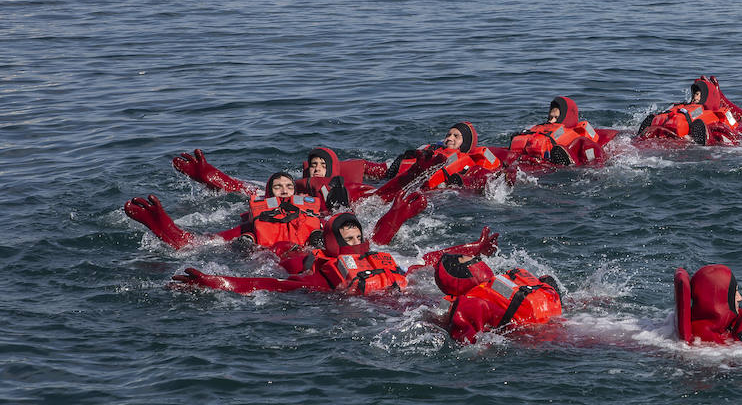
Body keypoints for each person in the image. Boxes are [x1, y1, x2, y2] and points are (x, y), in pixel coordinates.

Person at [173, 208, 499, 299]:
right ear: (330, 242)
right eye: (348, 238)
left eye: (359, 236)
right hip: (375, 315)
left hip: (406, 299)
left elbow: (426, 262)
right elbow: (272, 285)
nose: (356, 243)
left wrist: (472, 249)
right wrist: (218, 283)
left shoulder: (381, 256)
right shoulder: (321, 272)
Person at [123, 173, 418, 255]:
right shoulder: (253, 225)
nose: (284, 190)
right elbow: (191, 244)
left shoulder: (318, 219)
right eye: (277, 187)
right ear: (267, 194)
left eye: (289, 186)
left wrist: (397, 215)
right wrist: (159, 222)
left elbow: (365, 240)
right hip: (267, 260)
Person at [433, 248, 563, 343]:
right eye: (465, 260)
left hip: (541, 329)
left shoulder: (483, 293)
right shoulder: (468, 303)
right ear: (458, 276)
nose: (475, 259)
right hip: (543, 328)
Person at [172, 145, 384, 203]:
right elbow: (244, 190)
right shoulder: (290, 188)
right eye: (313, 164)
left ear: (333, 169)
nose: (317, 168)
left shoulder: (349, 191)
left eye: (322, 164)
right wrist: (210, 175)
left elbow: (387, 194)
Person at [373, 122, 508, 199]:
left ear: (466, 143)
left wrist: (461, 181)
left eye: (456, 136)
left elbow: (481, 179)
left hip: (440, 196)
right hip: (403, 185)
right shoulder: (431, 150)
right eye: (448, 135)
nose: (450, 138)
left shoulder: (471, 165)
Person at [637, 76, 742, 145]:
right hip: (672, 126)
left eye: (698, 94)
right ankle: (649, 125)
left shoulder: (717, 112)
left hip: (694, 126)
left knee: (701, 125)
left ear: (706, 96)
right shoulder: (685, 105)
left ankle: (701, 138)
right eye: (694, 94)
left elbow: (733, 127)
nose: (695, 97)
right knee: (659, 116)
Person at [506, 96, 613, 166]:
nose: (551, 121)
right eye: (550, 117)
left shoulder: (578, 135)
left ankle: (569, 160)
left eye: (556, 118)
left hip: (560, 159)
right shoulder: (540, 128)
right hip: (531, 159)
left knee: (582, 142)